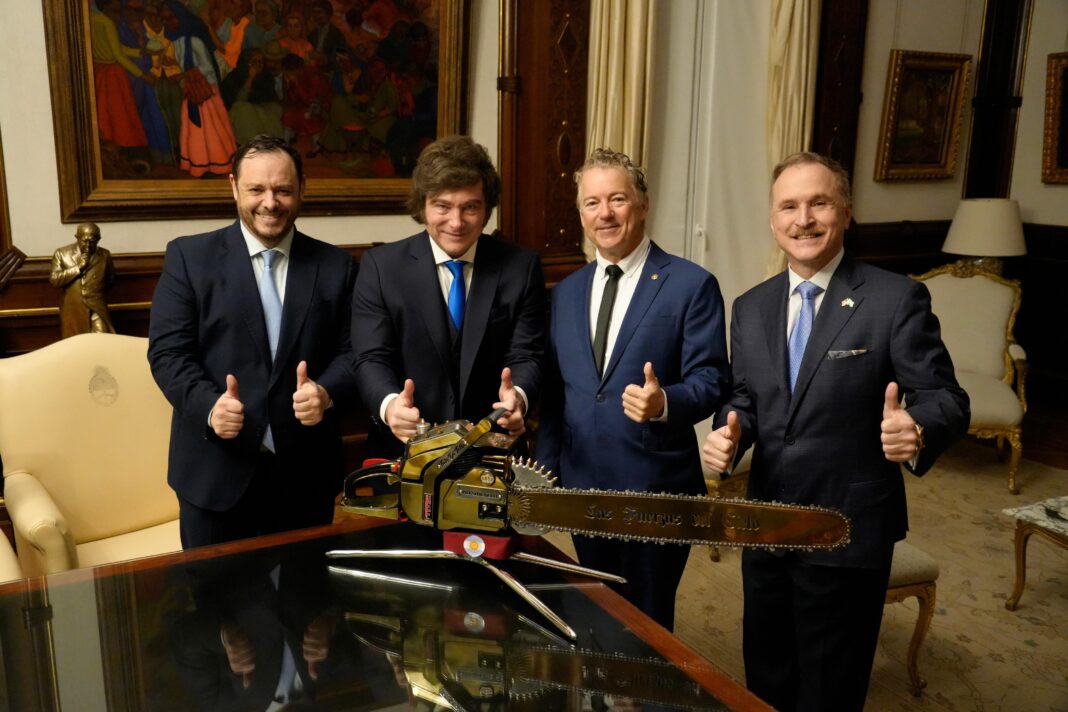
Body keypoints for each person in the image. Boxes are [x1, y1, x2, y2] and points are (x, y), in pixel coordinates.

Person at [700, 152, 969, 711]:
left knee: (830, 691)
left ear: (846, 212)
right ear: (773, 221)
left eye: (818, 203)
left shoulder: (896, 299)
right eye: (789, 207)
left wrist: (915, 428)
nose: (804, 219)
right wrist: (731, 431)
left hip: (847, 532)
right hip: (767, 528)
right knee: (766, 677)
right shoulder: (750, 308)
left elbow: (947, 398)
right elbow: (747, 399)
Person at [535, 148, 730, 630]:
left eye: (617, 199)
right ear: (580, 213)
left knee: (647, 621)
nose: (605, 213)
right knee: (596, 609)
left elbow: (712, 380)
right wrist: (545, 473)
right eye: (592, 202)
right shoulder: (565, 291)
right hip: (583, 487)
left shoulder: (691, 284)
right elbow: (558, 392)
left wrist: (665, 402)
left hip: (655, 490)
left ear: (642, 203)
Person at [148, 134, 358, 548]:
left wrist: (327, 392)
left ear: (302, 190)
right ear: (233, 187)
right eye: (256, 189)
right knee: (214, 605)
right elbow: (168, 354)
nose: (270, 202)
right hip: (215, 475)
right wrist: (209, 406)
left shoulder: (336, 266)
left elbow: (355, 353)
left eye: (282, 190)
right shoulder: (189, 258)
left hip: (305, 477)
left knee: (303, 603)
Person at [351, 134, 545, 459]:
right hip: (406, 454)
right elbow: (371, 358)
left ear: (486, 210)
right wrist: (389, 406)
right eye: (443, 206)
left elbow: (528, 354)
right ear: (423, 206)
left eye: (470, 207)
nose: (456, 223)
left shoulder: (520, 267)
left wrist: (519, 398)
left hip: (494, 453)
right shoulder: (381, 268)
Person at [49, 223, 117, 338]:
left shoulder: (105, 255)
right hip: (73, 308)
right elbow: (54, 280)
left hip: (97, 307)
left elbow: (110, 280)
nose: (88, 245)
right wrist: (78, 268)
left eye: (92, 241)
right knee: (76, 344)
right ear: (77, 237)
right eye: (84, 241)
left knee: (103, 340)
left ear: (98, 239)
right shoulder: (62, 253)